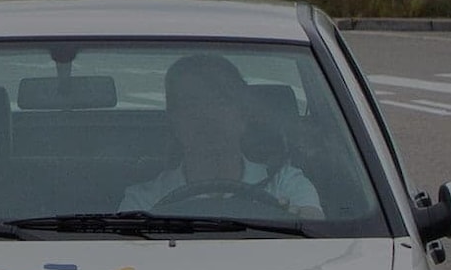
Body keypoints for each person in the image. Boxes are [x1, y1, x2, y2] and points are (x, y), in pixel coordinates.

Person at [113, 54, 323, 217]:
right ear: (173, 121)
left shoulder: (287, 184)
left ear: (243, 115)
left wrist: (298, 220)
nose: (207, 115)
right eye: (191, 104)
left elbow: (315, 236)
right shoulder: (142, 202)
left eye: (220, 102)